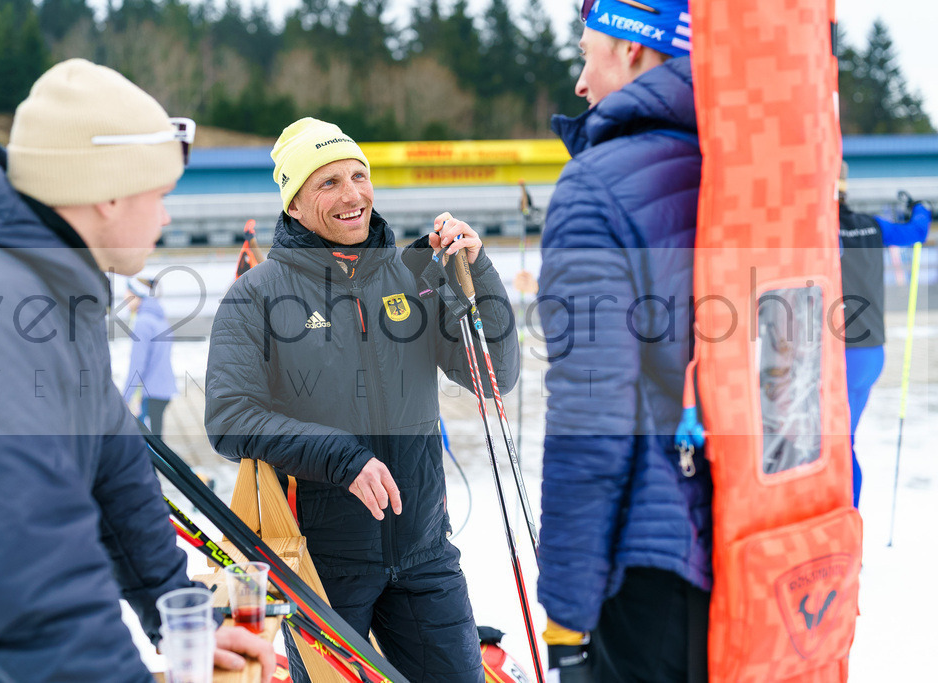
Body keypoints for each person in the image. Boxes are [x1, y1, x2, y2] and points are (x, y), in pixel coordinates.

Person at [0, 59, 273, 682]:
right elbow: (35, 578)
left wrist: (177, 615)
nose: (166, 218)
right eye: (159, 195)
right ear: (106, 193)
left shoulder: (47, 287)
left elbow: (114, 468)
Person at [204, 117, 520, 683]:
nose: (353, 196)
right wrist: (343, 458)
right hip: (322, 565)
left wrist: (480, 274)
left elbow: (492, 374)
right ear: (294, 205)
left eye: (359, 176)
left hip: (425, 552)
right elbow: (230, 418)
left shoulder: (414, 273)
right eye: (328, 183)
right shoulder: (255, 295)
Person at [535, 1, 711, 681]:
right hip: (759, 545)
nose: (580, 82)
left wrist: (567, 619)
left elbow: (591, 418)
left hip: (650, 569)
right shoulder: (753, 165)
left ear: (635, 49)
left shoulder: (595, 188)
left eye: (588, 52)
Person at [838, 161, 931, 507]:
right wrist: (920, 210)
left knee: (834, 446)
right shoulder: (870, 225)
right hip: (870, 353)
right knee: (843, 442)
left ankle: (844, 526)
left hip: (840, 355)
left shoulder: (815, 229)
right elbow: (916, 233)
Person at [122, 275, 177, 437]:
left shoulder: (143, 322)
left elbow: (137, 363)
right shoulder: (158, 317)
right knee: (154, 441)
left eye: (128, 294)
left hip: (152, 392)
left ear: (138, 295)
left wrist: (125, 397)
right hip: (161, 389)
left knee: (152, 446)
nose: (125, 298)